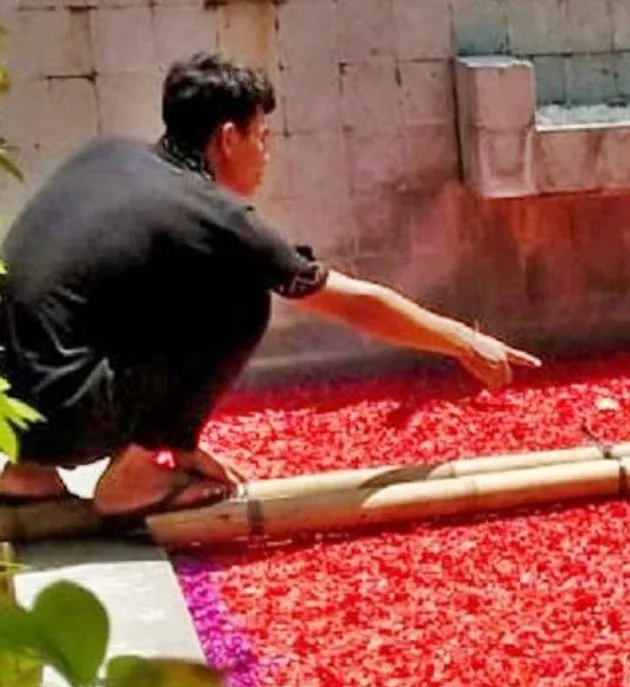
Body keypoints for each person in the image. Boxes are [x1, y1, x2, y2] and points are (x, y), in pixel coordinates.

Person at [0, 53, 539, 520]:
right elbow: (353, 303)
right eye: (262, 137)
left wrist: (179, 439)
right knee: (241, 296)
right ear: (228, 138)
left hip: (11, 412)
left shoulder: (110, 156)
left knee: (139, 300)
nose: (266, 155)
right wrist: (462, 341)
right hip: (72, 413)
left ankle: (29, 473)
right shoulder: (212, 214)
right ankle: (133, 482)